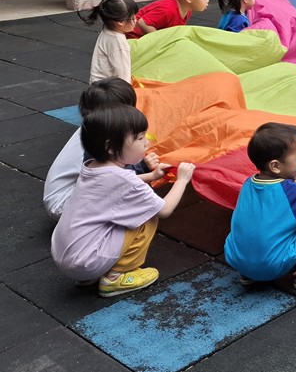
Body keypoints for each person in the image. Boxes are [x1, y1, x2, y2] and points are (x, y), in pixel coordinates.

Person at [50, 105, 194, 297]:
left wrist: (152, 176)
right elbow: (164, 210)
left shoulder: (92, 167)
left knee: (131, 212)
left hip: (66, 255)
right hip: (86, 261)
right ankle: (116, 276)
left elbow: (118, 186)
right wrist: (182, 180)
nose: (146, 143)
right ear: (110, 147)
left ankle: (92, 274)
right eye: (139, 138)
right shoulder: (123, 180)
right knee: (147, 217)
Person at [224, 123, 296, 290]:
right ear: (276, 166)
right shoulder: (291, 192)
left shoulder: (249, 183)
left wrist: (292, 182)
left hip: (237, 260)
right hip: (272, 266)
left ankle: (249, 274)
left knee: (255, 227)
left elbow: (273, 200)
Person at [44, 78, 168, 220]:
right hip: (64, 205)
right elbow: (110, 181)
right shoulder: (96, 143)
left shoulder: (94, 130)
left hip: (71, 195)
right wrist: (142, 167)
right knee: (137, 208)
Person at [80, 0, 139, 83]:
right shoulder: (118, 41)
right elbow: (123, 77)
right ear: (120, 22)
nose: (136, 20)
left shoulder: (107, 30)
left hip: (97, 86)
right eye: (133, 18)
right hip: (108, 89)